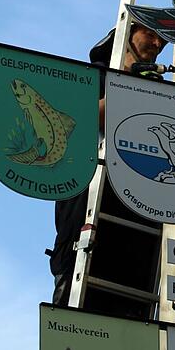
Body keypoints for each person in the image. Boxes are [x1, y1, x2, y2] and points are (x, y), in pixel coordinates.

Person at [48, 23, 167, 314]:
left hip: (139, 221)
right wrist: (133, 90)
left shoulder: (159, 91)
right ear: (125, 36)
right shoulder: (92, 78)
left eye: (162, 39)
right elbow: (81, 120)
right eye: (149, 34)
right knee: (79, 317)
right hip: (89, 211)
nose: (157, 42)